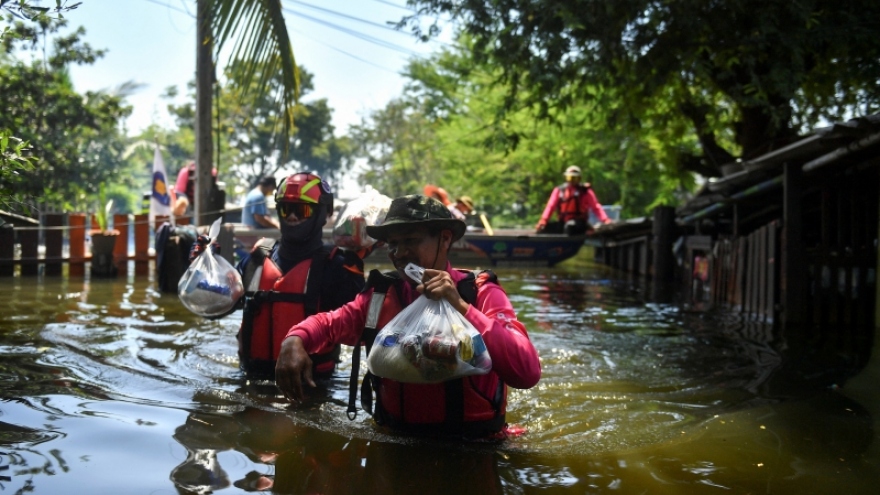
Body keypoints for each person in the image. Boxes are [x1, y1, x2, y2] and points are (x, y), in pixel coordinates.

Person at [275, 194, 541, 438]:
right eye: (393, 244)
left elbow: (527, 372)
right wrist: (294, 339)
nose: (399, 254)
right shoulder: (379, 297)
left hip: (474, 445)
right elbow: (328, 323)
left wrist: (460, 306)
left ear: (445, 239)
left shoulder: (480, 293)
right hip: (397, 438)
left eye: (411, 240)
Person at [190, 172, 367, 379]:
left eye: (302, 210)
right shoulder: (255, 260)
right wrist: (203, 268)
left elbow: (360, 330)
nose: (292, 216)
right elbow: (214, 309)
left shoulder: (338, 268)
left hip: (312, 388)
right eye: (285, 209)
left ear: (325, 213)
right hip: (251, 379)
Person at [535, 165, 612, 235]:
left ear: (579, 179)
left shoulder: (585, 192)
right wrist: (543, 220)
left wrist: (605, 220)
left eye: (574, 178)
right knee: (543, 229)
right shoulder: (559, 190)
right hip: (563, 222)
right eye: (569, 178)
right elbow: (550, 206)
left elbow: (596, 207)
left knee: (570, 226)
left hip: (579, 224)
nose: (571, 181)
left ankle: (569, 246)